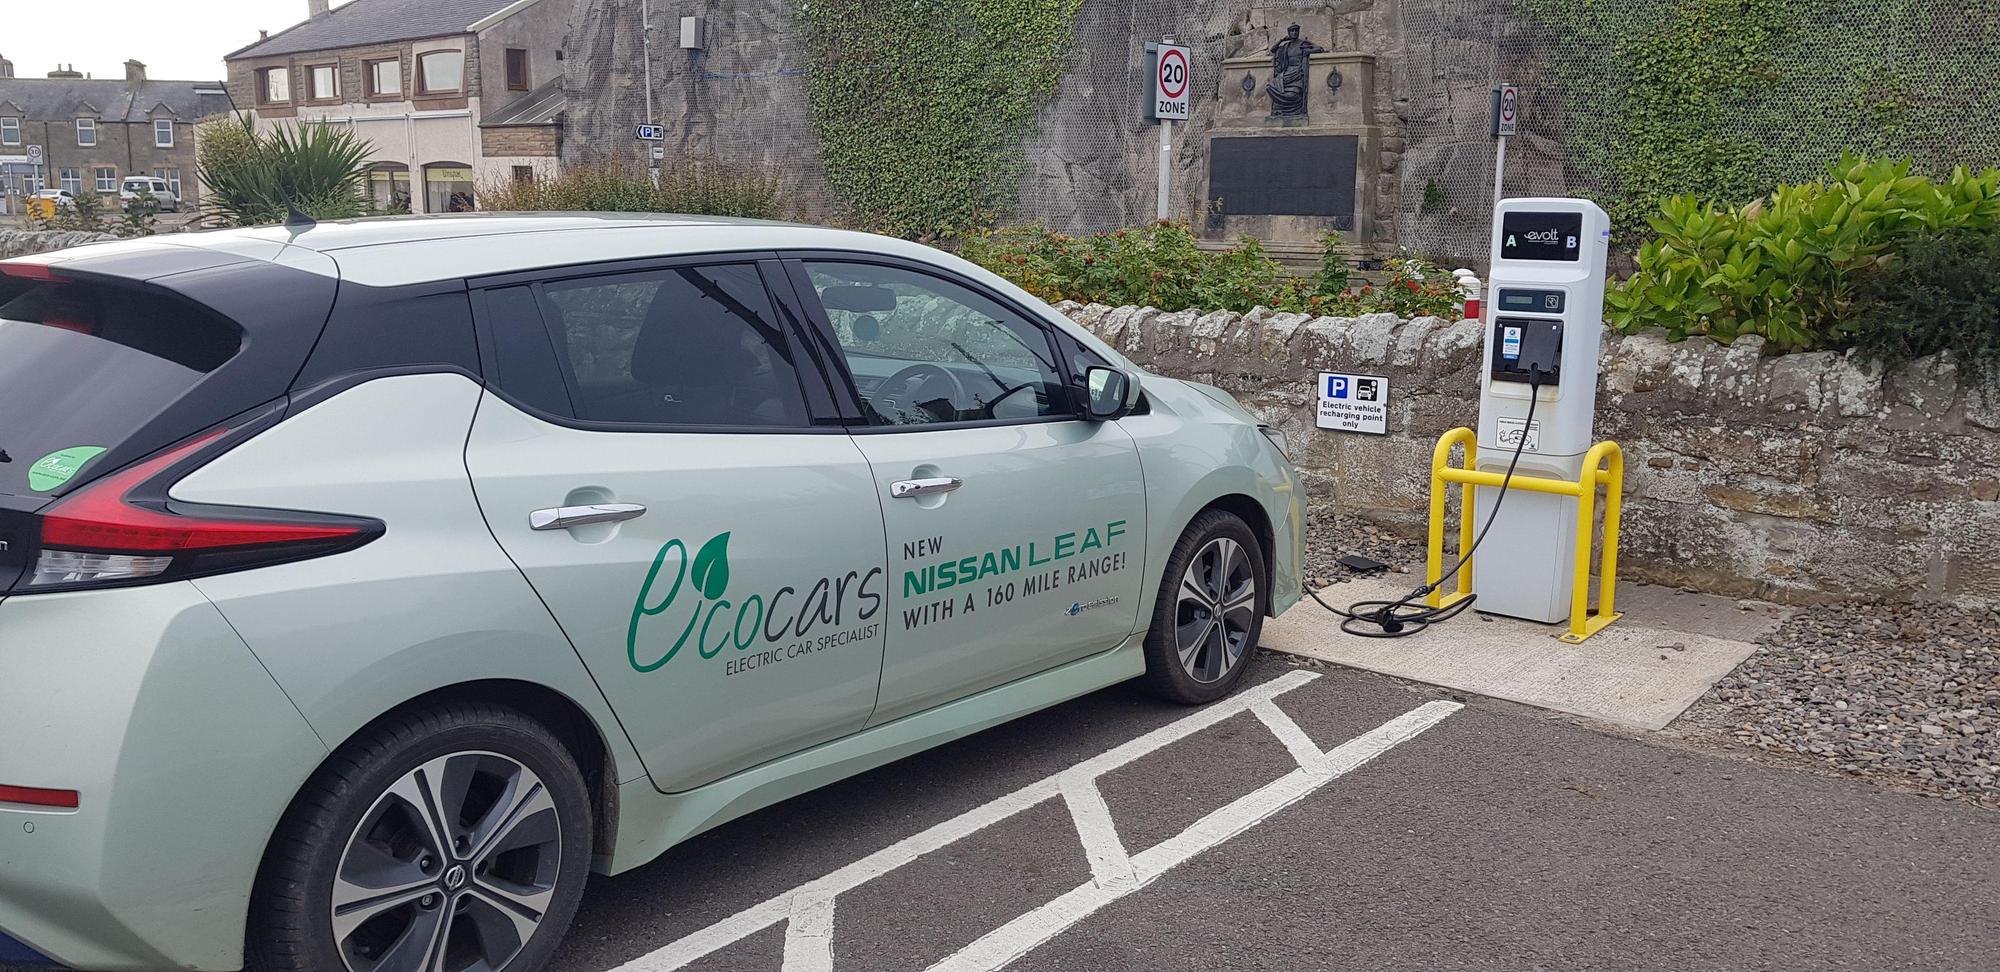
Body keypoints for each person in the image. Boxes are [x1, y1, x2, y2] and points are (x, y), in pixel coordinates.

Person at [1265, 23, 1326, 118]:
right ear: (1289, 33)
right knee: (1270, 87)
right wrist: (1282, 40)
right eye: (1292, 31)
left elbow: (1319, 49)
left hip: (1297, 72)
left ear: (1298, 32)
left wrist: (1308, 51)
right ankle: (1281, 107)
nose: (1294, 33)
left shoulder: (1303, 43)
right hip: (1286, 72)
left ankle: (1293, 108)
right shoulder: (1286, 46)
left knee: (1294, 93)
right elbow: (1273, 50)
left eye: (1296, 31)